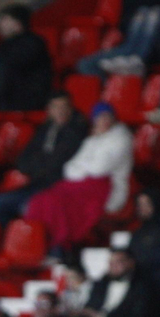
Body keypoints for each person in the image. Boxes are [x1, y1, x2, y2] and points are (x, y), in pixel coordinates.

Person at [24, 103, 133, 251]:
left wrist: (82, 168)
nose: (103, 120)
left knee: (57, 203)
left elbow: (99, 169)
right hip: (80, 184)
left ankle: (59, 246)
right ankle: (38, 245)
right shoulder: (92, 140)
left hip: (107, 188)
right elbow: (70, 168)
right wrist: (85, 166)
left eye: (107, 116)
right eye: (99, 117)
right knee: (40, 200)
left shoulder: (121, 138)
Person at [0, 92, 87, 225]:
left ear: (71, 108)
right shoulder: (45, 129)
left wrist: (38, 162)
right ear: (49, 110)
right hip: (34, 185)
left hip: (56, 188)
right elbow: (22, 160)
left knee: (29, 209)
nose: (61, 111)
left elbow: (57, 163)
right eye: (56, 107)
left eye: (64, 107)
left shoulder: (77, 131)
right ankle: (13, 241)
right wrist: (41, 163)